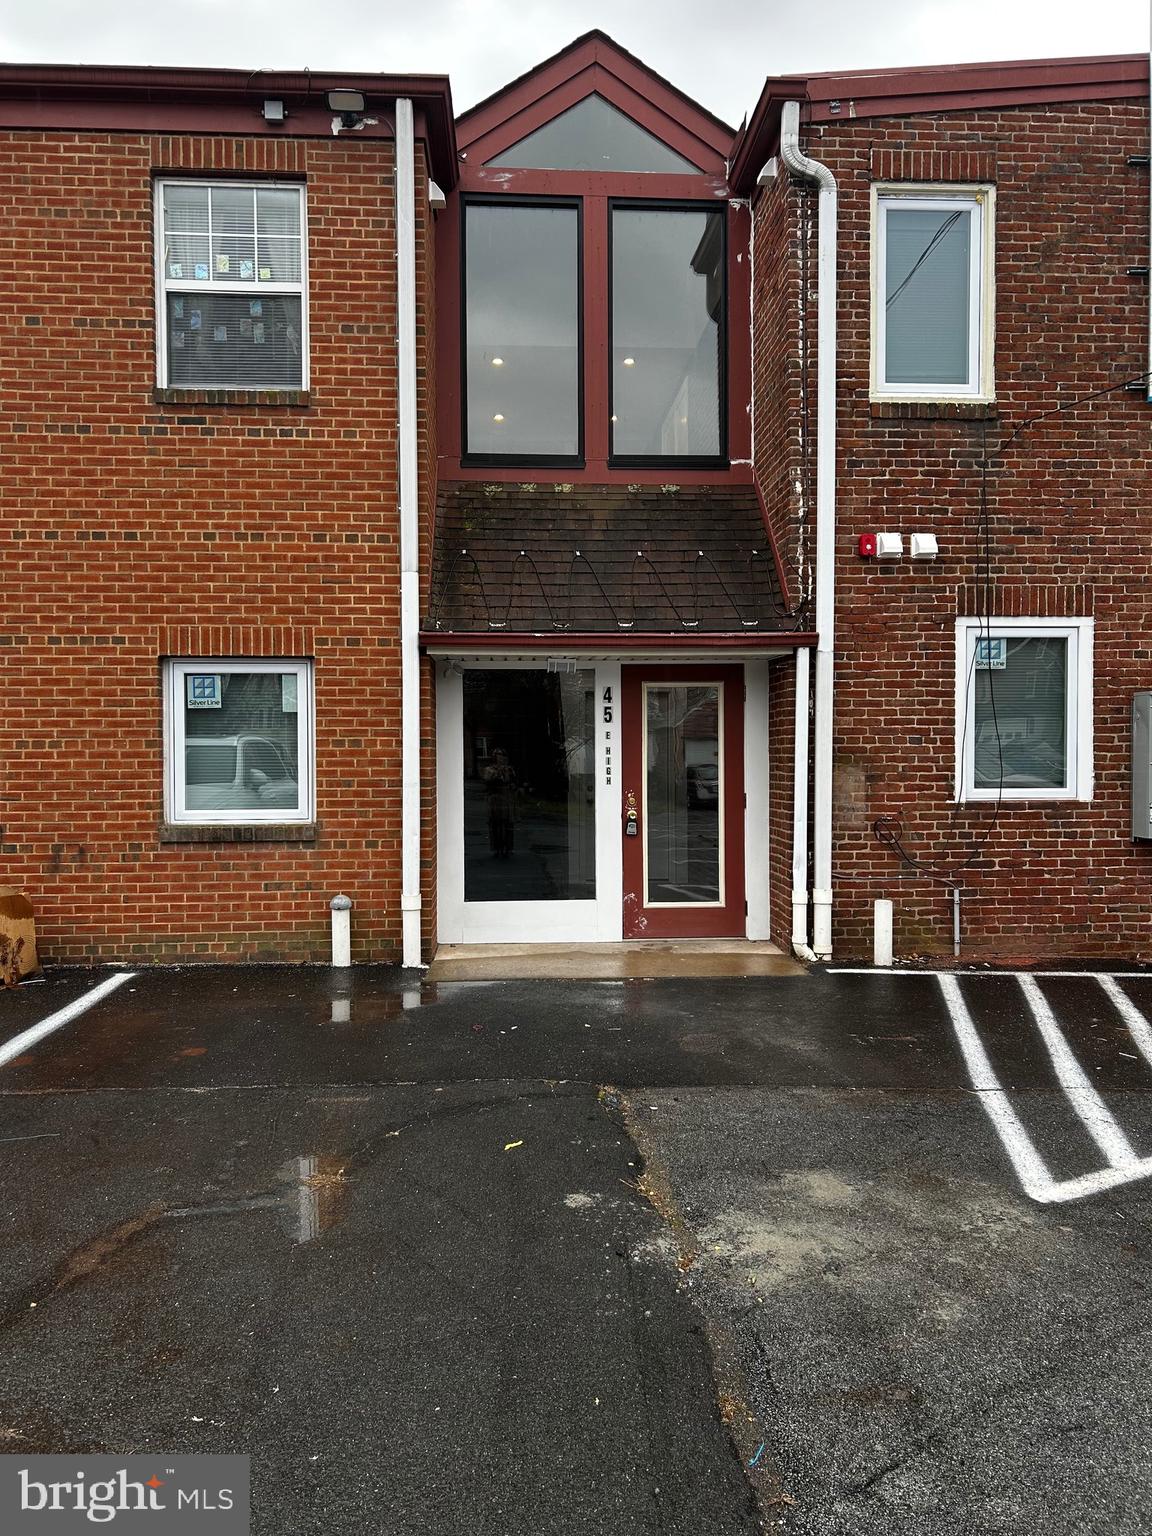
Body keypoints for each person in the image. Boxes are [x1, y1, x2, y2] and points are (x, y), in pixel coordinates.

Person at [483, 747, 517, 857]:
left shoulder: (509, 769)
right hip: (495, 798)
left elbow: (513, 781)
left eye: (502, 756)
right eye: (497, 756)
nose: (500, 758)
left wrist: (512, 785)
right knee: (496, 824)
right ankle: (497, 848)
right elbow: (487, 782)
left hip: (506, 797)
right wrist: (497, 774)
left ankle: (508, 847)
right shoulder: (489, 769)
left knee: (507, 824)